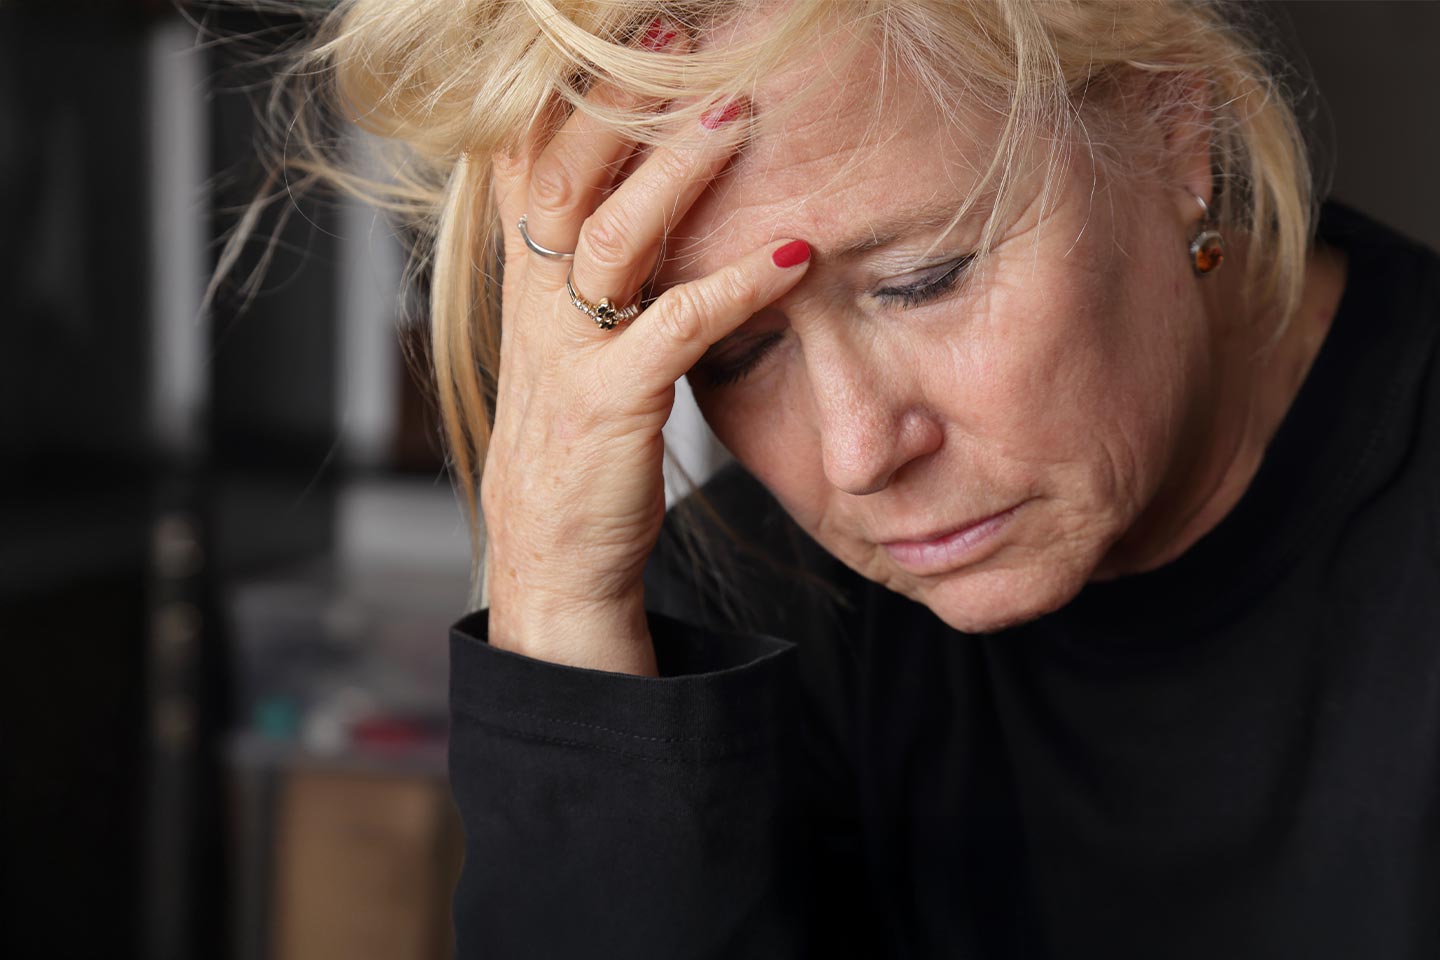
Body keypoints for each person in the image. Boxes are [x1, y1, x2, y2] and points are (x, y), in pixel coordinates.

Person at [250, 0, 1440, 956]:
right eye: (736, 352)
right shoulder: (725, 609)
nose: (858, 454)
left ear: (1173, 128)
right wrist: (556, 607)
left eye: (923, 280)